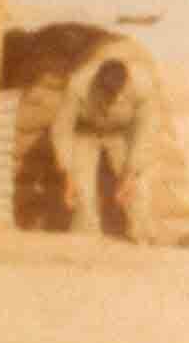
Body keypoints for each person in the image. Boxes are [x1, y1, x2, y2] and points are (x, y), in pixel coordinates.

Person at [50, 41, 166, 240]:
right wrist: (67, 171)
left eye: (117, 93)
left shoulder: (143, 86)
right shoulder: (78, 84)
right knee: (82, 189)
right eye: (106, 93)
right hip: (86, 132)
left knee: (138, 186)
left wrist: (131, 174)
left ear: (127, 82)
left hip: (122, 133)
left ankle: (142, 234)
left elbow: (146, 132)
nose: (111, 99)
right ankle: (85, 235)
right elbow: (62, 129)